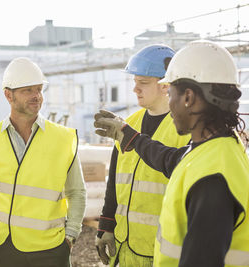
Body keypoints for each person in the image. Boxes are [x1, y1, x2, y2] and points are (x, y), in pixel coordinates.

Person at [94, 40, 249, 267]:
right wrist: (130, 137)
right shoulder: (218, 150)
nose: (170, 102)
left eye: (172, 94)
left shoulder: (212, 179)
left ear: (188, 98)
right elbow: (170, 159)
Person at [0, 57, 86, 267]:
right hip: (6, 248)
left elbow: (77, 191)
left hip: (53, 248)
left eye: (38, 90)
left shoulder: (64, 138)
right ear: (8, 95)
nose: (36, 96)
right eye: (27, 90)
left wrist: (71, 236)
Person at [94, 44, 190, 267]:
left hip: (162, 251)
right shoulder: (129, 124)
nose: (135, 89)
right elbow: (114, 182)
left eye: (143, 83)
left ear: (166, 86)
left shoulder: (184, 130)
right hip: (125, 246)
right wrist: (106, 225)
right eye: (135, 82)